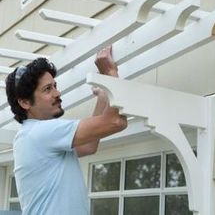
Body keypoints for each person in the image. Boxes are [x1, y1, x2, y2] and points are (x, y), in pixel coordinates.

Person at [5, 46, 127, 215]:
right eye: (48, 89)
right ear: (25, 103)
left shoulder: (32, 136)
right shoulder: (39, 133)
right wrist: (111, 74)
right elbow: (115, 121)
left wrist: (103, 96)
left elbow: (89, 145)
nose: (57, 92)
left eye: (55, 86)